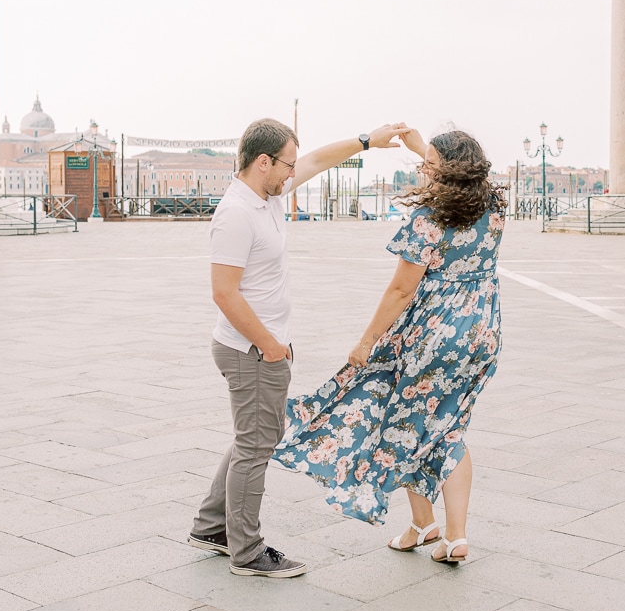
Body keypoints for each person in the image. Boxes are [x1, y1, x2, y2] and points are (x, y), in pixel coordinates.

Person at [273, 128, 505, 565]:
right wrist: (424, 148)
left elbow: (401, 290)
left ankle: (439, 528)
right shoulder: (491, 207)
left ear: (447, 170)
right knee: (441, 424)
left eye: (430, 163)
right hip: (481, 334)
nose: (423, 168)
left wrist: (365, 343)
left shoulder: (429, 218)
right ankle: (439, 530)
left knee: (409, 424)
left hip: (432, 335)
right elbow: (463, 176)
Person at [188, 117, 407, 578]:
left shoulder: (266, 195)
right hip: (251, 352)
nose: (293, 174)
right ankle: (246, 552)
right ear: (262, 161)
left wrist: (367, 141)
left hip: (260, 348)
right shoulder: (236, 213)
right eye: (285, 165)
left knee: (254, 436)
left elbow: (316, 160)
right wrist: (270, 347)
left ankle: (211, 526)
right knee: (256, 445)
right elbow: (224, 293)